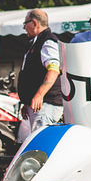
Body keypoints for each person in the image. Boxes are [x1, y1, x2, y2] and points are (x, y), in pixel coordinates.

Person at [18, 9, 63, 142]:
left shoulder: (48, 41)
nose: (24, 27)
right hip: (39, 105)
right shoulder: (37, 41)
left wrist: (39, 95)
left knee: (40, 145)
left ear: (34, 23)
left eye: (25, 23)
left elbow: (54, 70)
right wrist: (27, 102)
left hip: (46, 105)